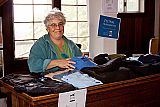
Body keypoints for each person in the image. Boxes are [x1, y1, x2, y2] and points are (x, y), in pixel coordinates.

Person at [28, 7, 82, 73]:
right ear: (47, 28)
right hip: (50, 81)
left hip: (73, 78)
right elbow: (33, 66)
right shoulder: (40, 44)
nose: (58, 28)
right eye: (53, 25)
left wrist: (85, 61)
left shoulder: (70, 44)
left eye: (60, 24)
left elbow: (79, 59)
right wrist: (57, 63)